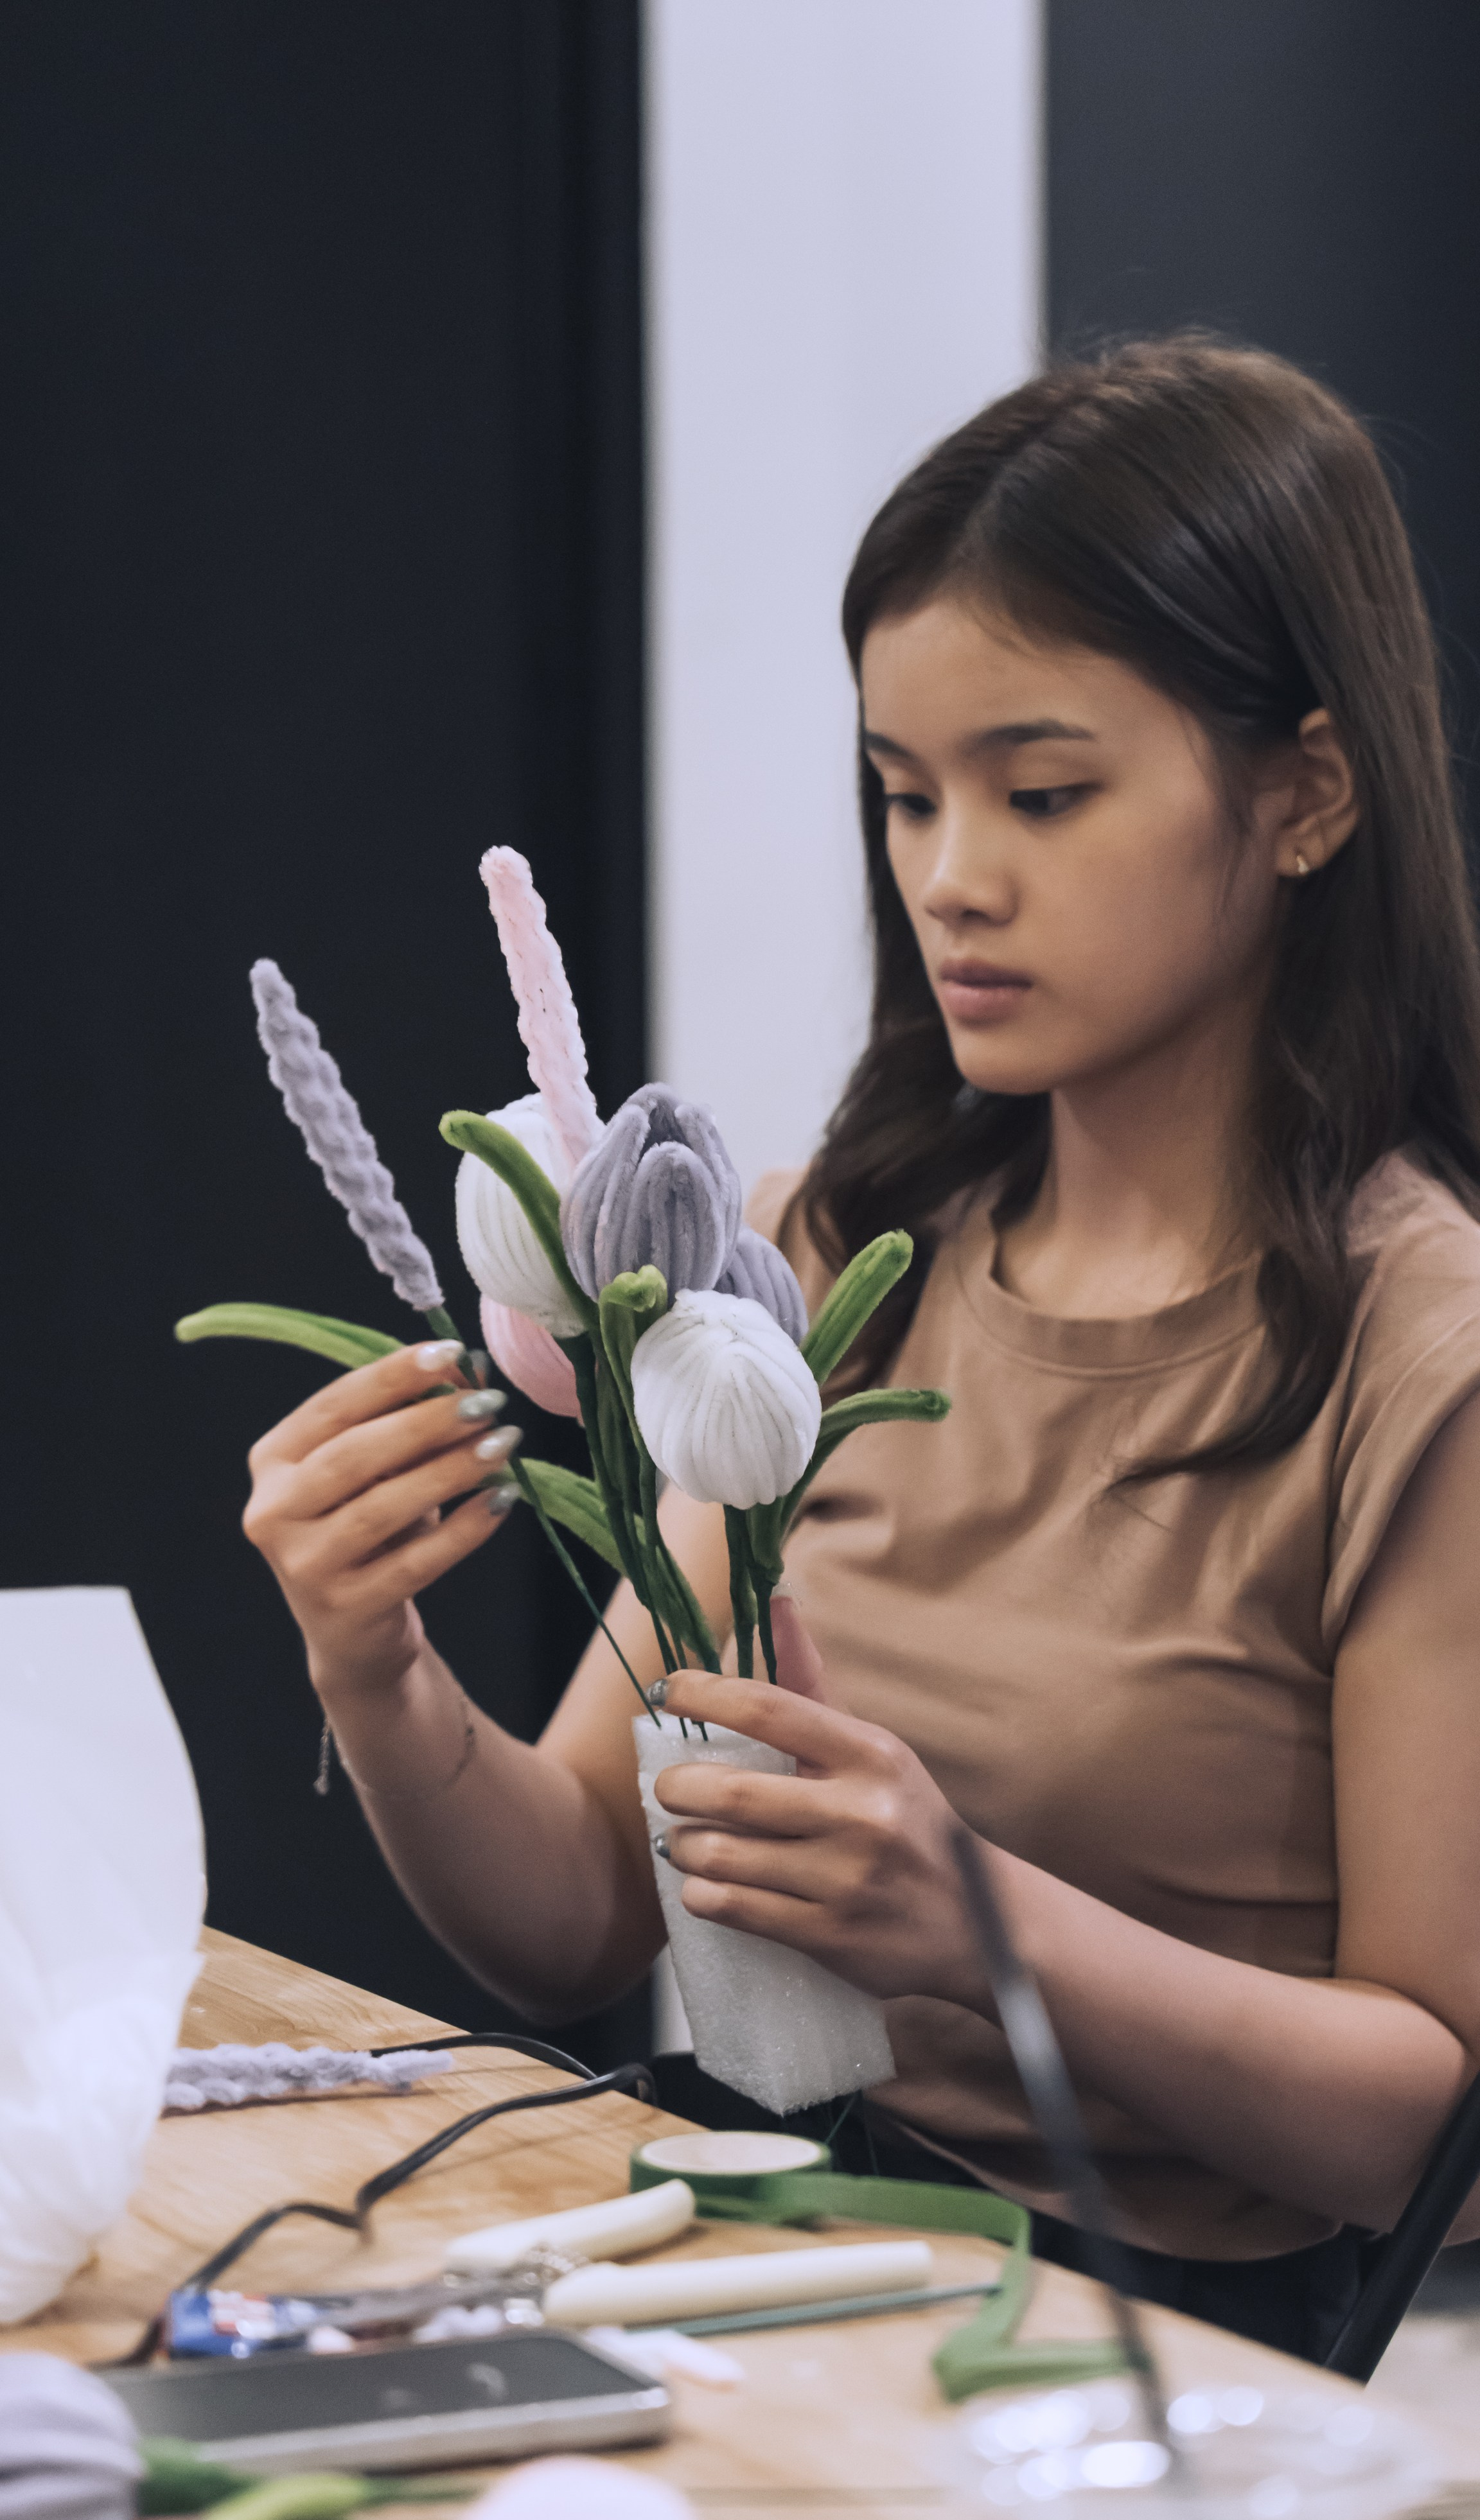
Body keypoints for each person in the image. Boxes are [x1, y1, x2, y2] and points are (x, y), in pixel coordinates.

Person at [243, 336, 1480, 2361]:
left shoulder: (1420, 1359)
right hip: (756, 2254)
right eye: (904, 795)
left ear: (1309, 795)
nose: (948, 877)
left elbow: (1430, 2121)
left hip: (1149, 2365)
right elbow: (575, 1913)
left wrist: (982, 1928)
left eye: (1044, 791)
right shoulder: (847, 1240)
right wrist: (371, 1663)